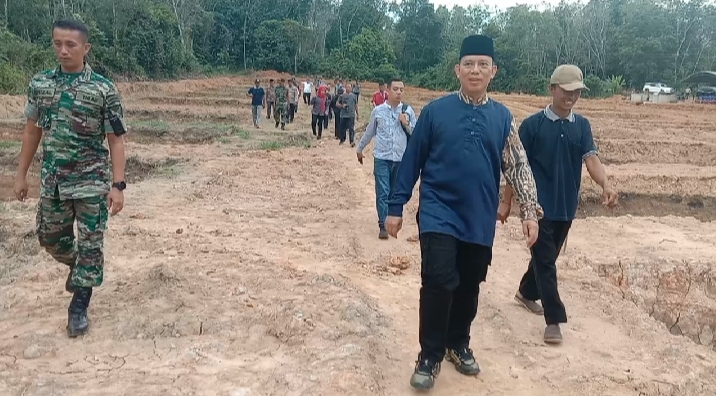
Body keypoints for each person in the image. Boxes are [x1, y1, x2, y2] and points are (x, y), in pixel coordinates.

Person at [384, 35, 542, 391]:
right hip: (439, 211)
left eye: (482, 65)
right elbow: (412, 161)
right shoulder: (436, 112)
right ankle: (429, 355)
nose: (475, 70)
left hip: (479, 216)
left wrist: (529, 211)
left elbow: (518, 166)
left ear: (493, 71)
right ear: (457, 69)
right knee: (439, 281)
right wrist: (396, 207)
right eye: (468, 64)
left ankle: (458, 342)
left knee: (470, 284)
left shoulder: (502, 117)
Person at [13, 19, 128, 338]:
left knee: (91, 244)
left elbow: (116, 139)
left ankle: (79, 307)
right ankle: (83, 270)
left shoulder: (103, 89)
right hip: (54, 181)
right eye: (57, 44)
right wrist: (21, 175)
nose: (63, 50)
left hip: (92, 182)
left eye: (70, 45)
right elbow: (31, 130)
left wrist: (118, 185)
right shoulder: (40, 84)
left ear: (85, 48)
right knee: (49, 238)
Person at [498, 64, 618, 345]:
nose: (572, 97)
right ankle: (554, 320)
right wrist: (507, 202)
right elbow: (514, 167)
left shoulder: (582, 126)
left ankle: (526, 292)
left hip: (566, 207)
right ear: (552, 89)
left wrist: (606, 184)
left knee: (546, 259)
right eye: (567, 91)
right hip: (535, 209)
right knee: (547, 264)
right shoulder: (532, 126)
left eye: (576, 92)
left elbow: (591, 161)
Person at [356, 78, 416, 239]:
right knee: (383, 192)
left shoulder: (408, 111)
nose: (399, 92)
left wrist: (406, 124)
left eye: (401, 90)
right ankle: (382, 224)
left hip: (400, 158)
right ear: (387, 90)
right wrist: (360, 148)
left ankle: (392, 219)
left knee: (395, 192)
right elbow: (370, 131)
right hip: (382, 157)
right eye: (395, 89)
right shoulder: (378, 111)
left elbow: (417, 136)